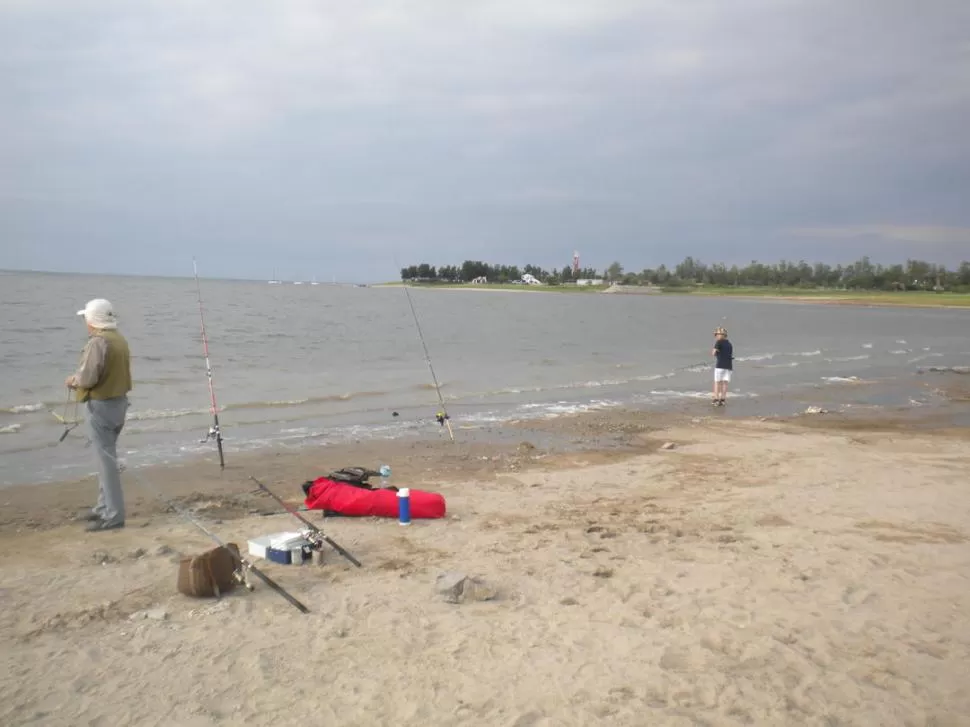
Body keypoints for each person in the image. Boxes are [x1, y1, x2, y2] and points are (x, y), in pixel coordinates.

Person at [65, 299, 132, 531]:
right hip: (119, 404)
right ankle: (103, 507)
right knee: (107, 459)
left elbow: (87, 378)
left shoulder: (98, 342)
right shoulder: (119, 339)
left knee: (106, 463)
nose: (86, 323)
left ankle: (113, 516)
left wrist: (73, 380)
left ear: (92, 320)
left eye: (86, 319)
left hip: (102, 406)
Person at [711, 326, 733, 406]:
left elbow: (713, 353)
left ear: (721, 335)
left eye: (717, 334)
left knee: (717, 382)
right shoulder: (729, 344)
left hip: (720, 366)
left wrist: (716, 353)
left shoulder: (718, 342)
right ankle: (723, 399)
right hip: (729, 366)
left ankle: (716, 399)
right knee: (725, 383)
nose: (716, 336)